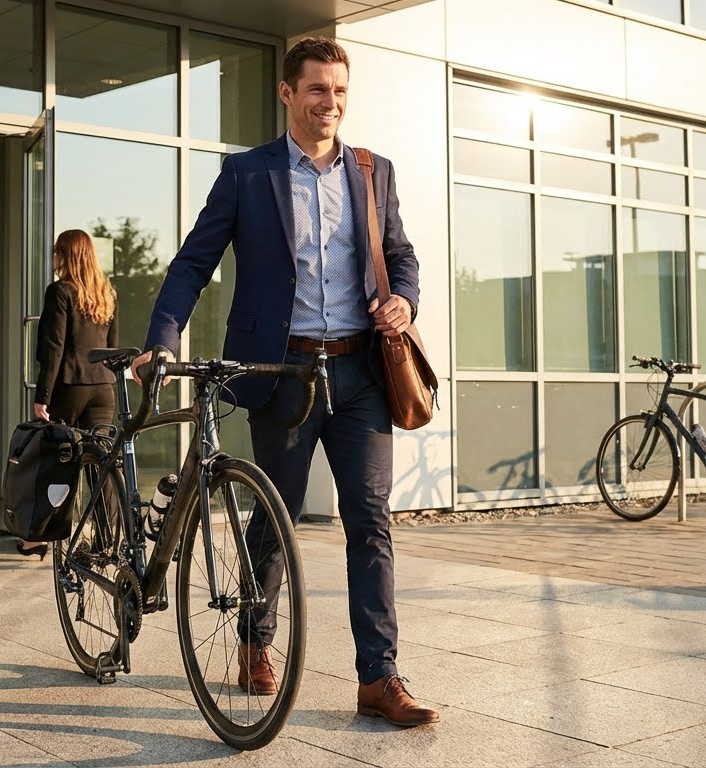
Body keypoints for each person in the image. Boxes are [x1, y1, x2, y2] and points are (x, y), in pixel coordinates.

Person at [134, 37, 437, 726]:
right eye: (317, 89)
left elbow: (401, 255)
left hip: (361, 370)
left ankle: (378, 676)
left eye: (340, 91)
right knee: (277, 514)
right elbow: (193, 263)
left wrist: (404, 300)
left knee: (370, 519)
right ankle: (254, 640)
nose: (330, 102)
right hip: (283, 372)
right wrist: (162, 340)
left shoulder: (373, 171)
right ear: (287, 93)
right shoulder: (248, 174)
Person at [22, 229, 118, 559]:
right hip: (103, 389)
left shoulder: (60, 291)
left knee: (55, 462)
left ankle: (37, 538)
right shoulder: (107, 293)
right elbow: (112, 348)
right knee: (100, 465)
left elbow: (54, 349)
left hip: (70, 387)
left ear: (67, 255)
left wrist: (43, 395)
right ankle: (108, 539)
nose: (53, 257)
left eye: (56, 252)